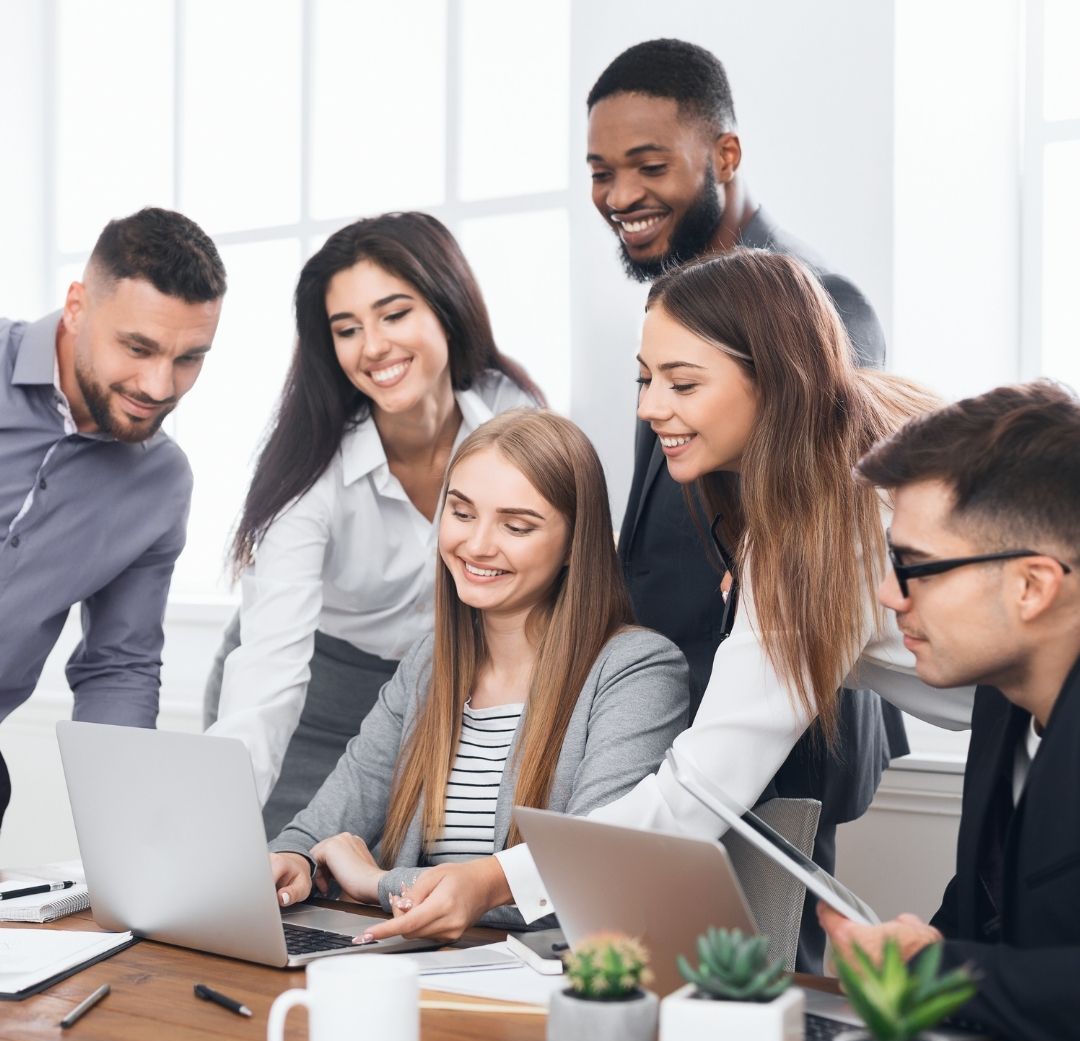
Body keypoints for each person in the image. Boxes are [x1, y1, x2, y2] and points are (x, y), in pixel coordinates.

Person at [366, 249, 974, 946]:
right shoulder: (856, 438)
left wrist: (499, 876)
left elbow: (697, 792)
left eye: (683, 384)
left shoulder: (815, 528)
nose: (650, 407)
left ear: (775, 378)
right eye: (646, 378)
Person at [586, 39, 905, 967]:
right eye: (601, 172)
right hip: (689, 700)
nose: (620, 195)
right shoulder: (672, 313)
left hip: (786, 711)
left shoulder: (811, 302)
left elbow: (828, 511)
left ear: (724, 158)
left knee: (766, 977)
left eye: (650, 165)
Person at [267, 409, 689, 930]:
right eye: (462, 513)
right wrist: (296, 861)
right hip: (414, 969)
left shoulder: (636, 671)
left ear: (574, 545)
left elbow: (589, 876)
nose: (478, 545)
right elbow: (320, 826)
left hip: (539, 985)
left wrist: (379, 883)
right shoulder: (428, 667)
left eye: (516, 526)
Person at [204, 212, 544, 837]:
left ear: (445, 304)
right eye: (347, 329)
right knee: (283, 882)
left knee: (401, 895)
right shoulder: (311, 468)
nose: (374, 346)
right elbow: (270, 673)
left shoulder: (512, 413)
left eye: (394, 314)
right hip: (312, 700)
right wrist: (216, 827)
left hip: (440, 697)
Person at [818, 380, 1080, 1041]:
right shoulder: (1003, 698)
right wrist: (915, 949)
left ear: (1032, 585)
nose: (886, 593)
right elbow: (979, 918)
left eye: (916, 567)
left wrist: (930, 971)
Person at [0, 207, 226, 832]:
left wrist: (126, 832)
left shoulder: (160, 484)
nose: (159, 385)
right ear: (77, 306)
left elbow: (117, 665)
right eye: (138, 347)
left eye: (189, 358)